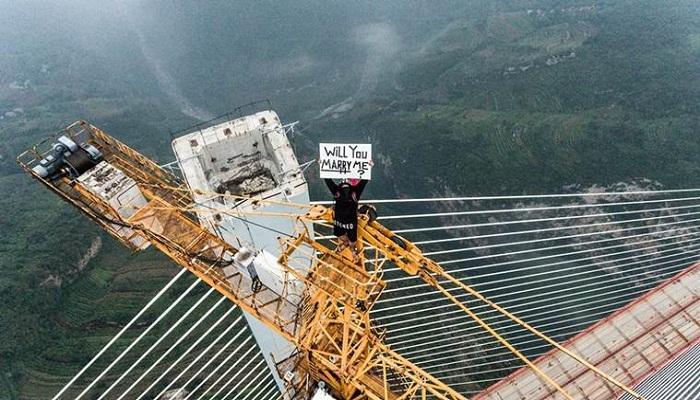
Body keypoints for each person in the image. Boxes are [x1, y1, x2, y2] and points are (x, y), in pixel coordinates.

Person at [324, 177, 368, 260]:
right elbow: (363, 183)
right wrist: (368, 169)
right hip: (351, 222)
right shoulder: (355, 192)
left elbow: (328, 181)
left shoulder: (337, 191)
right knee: (352, 239)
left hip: (339, 220)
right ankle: (352, 249)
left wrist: (322, 167)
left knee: (340, 234)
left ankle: (346, 244)